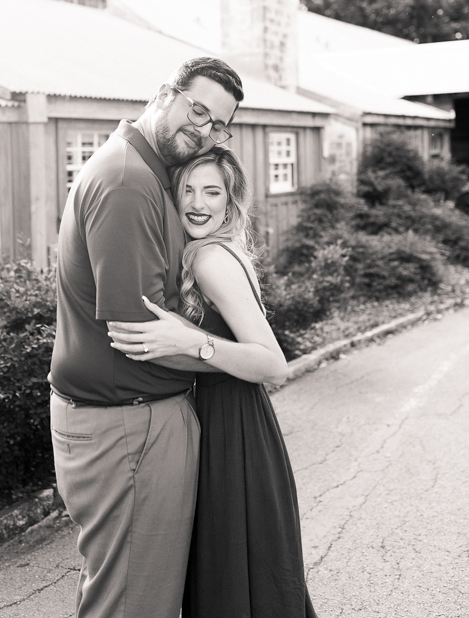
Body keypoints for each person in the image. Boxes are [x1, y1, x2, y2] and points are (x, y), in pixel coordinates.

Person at [49, 56, 243, 618]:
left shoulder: (144, 170)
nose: (203, 129)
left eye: (217, 124)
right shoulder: (130, 181)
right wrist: (240, 357)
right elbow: (135, 331)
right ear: (166, 93)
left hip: (124, 419)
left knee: (130, 593)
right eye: (197, 109)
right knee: (134, 604)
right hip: (130, 425)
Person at [107, 147, 318, 617]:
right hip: (228, 418)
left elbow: (273, 364)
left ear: (230, 201)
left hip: (234, 427)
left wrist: (189, 341)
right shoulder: (208, 251)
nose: (198, 203)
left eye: (212, 191)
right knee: (245, 568)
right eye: (188, 189)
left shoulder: (210, 260)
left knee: (233, 570)